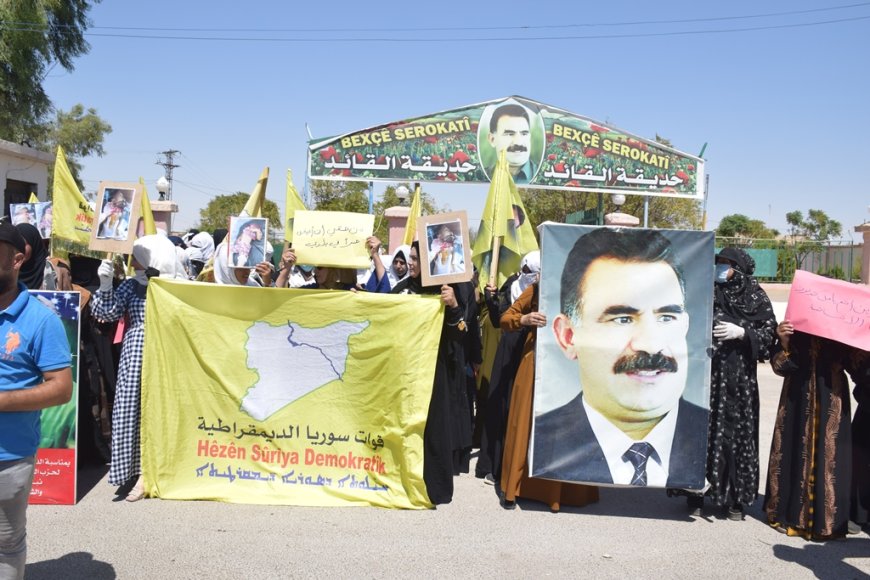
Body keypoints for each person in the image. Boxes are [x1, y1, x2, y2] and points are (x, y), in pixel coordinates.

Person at [533, 227, 708, 488]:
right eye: (622, 319)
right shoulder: (543, 443)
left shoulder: (711, 438)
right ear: (568, 336)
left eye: (666, 317)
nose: (651, 345)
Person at [681, 248, 777, 519]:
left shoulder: (756, 296)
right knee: (702, 429)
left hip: (739, 380)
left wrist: (743, 333)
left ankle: (733, 498)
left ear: (741, 268)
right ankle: (695, 492)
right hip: (705, 375)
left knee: (736, 435)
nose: (721, 268)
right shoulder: (707, 291)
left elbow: (770, 334)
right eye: (719, 262)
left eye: (728, 264)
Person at [0, 222, 73, 579]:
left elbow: (61, 388)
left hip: (8, 458)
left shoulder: (42, 320)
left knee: (6, 546)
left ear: (17, 259)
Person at [91, 234, 184, 501]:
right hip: (137, 353)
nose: (134, 263)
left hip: (168, 352)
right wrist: (106, 285)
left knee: (163, 411)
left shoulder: (178, 285)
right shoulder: (132, 286)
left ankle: (161, 469)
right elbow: (106, 313)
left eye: (139, 258)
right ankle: (139, 471)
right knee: (134, 410)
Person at [499, 279, 599, 511]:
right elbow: (505, 318)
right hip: (534, 361)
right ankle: (514, 488)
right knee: (524, 423)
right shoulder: (536, 286)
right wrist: (523, 319)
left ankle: (565, 492)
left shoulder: (586, 283)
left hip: (569, 365)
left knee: (567, 426)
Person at [765, 320, 870, 540]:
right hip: (796, 398)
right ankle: (789, 515)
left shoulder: (842, 321)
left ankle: (829, 522)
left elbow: (859, 365)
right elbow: (780, 367)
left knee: (830, 457)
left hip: (832, 397)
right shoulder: (796, 320)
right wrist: (784, 341)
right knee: (793, 450)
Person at [391, 241, 473, 504]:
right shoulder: (401, 291)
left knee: (434, 428)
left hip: (436, 372)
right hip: (405, 372)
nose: (411, 262)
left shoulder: (447, 293)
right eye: (410, 258)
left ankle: (433, 488)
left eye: (416, 258)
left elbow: (462, 332)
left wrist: (452, 307)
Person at [476, 251, 539, 482]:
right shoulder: (513, 286)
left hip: (532, 350)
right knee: (502, 405)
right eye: (525, 272)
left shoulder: (543, 290)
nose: (526, 276)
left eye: (530, 273)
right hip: (510, 349)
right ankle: (496, 465)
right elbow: (498, 319)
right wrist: (492, 300)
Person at [484, 103, 538, 183]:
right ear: (492, 139)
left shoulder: (542, 176)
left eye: (524, 134)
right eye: (510, 134)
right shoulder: (482, 176)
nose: (518, 142)